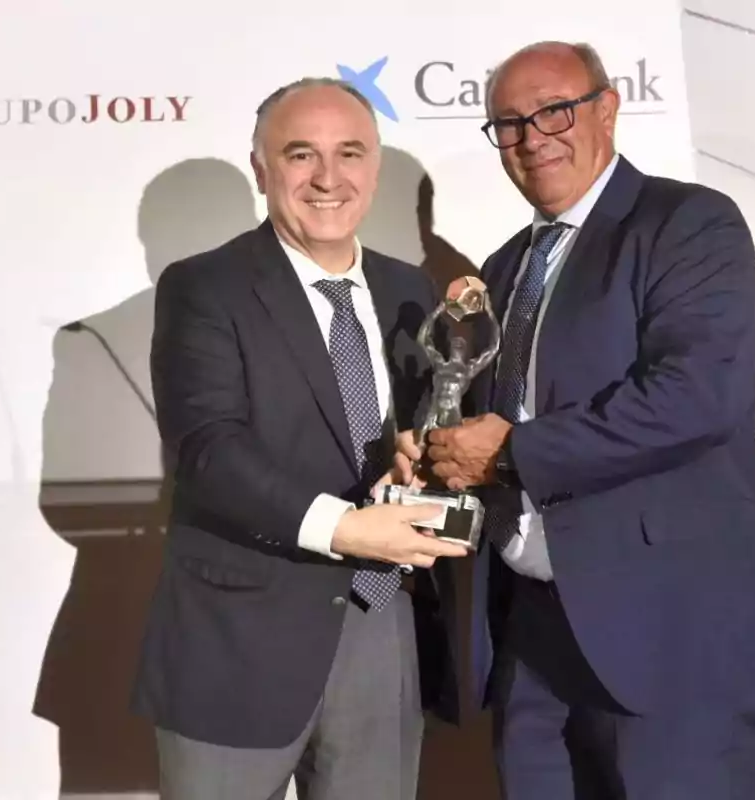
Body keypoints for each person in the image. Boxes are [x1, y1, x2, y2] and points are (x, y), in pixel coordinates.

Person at [399, 41, 755, 798]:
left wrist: (507, 454)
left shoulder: (686, 223)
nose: (532, 137)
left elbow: (698, 398)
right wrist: (438, 454)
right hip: (532, 636)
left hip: (670, 629)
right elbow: (494, 424)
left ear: (606, 107)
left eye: (554, 110)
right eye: (508, 123)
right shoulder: (502, 268)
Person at [132, 77, 469, 800]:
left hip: (383, 625)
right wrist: (347, 528)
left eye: (349, 153)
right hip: (238, 639)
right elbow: (208, 450)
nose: (327, 179)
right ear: (261, 168)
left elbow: (422, 436)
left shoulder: (414, 289)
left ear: (374, 167)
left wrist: (422, 460)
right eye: (299, 155)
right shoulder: (204, 286)